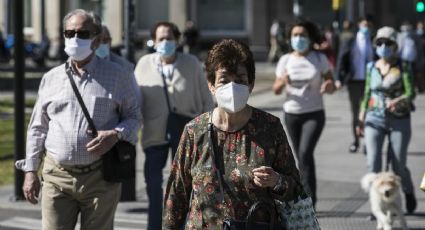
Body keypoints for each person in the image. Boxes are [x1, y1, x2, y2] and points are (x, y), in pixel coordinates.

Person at [14, 9, 141, 229]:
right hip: (57, 176)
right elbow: (37, 127)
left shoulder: (118, 75)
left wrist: (115, 134)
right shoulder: (51, 78)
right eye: (69, 33)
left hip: (100, 176)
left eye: (83, 33)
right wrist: (30, 171)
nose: (75, 39)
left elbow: (134, 117)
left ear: (97, 39)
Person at [163, 39, 304, 229]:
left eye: (239, 80)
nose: (232, 87)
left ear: (251, 84)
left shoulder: (269, 127)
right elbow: (176, 195)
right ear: (211, 85)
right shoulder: (194, 131)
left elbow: (295, 188)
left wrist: (276, 180)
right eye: (224, 80)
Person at [134, 21, 214, 230]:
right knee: (153, 186)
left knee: (183, 188)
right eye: (161, 38)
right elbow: (134, 101)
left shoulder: (192, 63)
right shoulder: (143, 64)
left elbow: (206, 98)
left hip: (187, 137)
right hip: (154, 135)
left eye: (169, 38)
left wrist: (206, 130)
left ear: (177, 40)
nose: (165, 42)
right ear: (153, 41)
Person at [272, 20, 335, 206]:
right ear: (290, 38)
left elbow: (331, 84)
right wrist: (283, 81)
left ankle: (309, 200)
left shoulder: (319, 59)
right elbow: (276, 89)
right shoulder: (285, 60)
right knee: (299, 157)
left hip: (314, 113)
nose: (299, 38)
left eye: (303, 35)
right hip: (292, 114)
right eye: (295, 35)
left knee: (305, 153)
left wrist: (329, 86)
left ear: (310, 38)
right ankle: (301, 197)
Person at [357, 26, 417, 214]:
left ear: (395, 46)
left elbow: (411, 92)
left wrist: (399, 100)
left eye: (387, 43)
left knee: (398, 163)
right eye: (380, 43)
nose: (383, 46)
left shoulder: (403, 66)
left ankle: (407, 191)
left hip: (399, 118)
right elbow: (367, 93)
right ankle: (378, 207)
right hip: (374, 118)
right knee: (373, 162)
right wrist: (360, 118)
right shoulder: (370, 67)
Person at [335, 17, 374, 153]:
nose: (367, 27)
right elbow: (341, 58)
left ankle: (367, 142)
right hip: (354, 81)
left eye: (369, 25)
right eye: (364, 24)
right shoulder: (351, 40)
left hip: (370, 83)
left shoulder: (374, 41)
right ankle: (356, 141)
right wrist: (338, 78)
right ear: (359, 25)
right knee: (356, 113)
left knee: (369, 114)